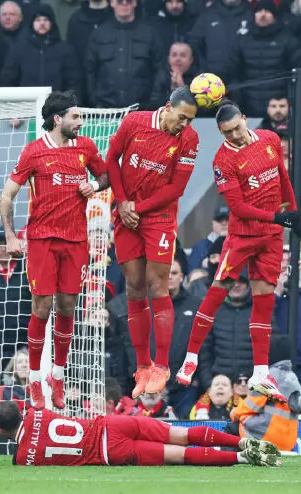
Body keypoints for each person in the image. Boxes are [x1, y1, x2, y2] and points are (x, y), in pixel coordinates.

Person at [176, 102, 301, 400]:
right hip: (242, 237)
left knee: (264, 301)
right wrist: (278, 218)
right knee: (217, 292)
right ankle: (191, 358)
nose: (234, 135)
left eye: (237, 128)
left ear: (245, 119)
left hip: (271, 238)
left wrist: (295, 217)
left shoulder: (270, 139)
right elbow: (237, 208)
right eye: (227, 132)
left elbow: (283, 179)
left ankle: (260, 374)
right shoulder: (223, 161)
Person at [0, 91, 109, 409]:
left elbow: (106, 175)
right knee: (42, 307)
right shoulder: (34, 151)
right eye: (76, 116)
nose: (81, 122)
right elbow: (7, 196)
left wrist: (94, 186)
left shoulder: (85, 147)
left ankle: (57, 376)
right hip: (42, 240)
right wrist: (10, 237)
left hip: (76, 240)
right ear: (58, 119)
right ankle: (35, 378)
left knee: (67, 307)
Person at [105, 87, 200, 398]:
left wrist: (137, 208)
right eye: (182, 117)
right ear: (168, 107)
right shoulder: (134, 122)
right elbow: (111, 160)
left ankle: (161, 366)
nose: (185, 124)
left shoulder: (189, 139)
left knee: (157, 286)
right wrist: (122, 203)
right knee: (134, 287)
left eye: (190, 120)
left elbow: (176, 188)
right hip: (126, 214)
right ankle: (143, 366)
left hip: (158, 217)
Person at [0, 400, 284, 467]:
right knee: (180, 434)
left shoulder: (23, 458)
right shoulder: (38, 413)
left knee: (178, 455)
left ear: (1, 431)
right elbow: (27, 412)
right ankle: (242, 441)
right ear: (20, 411)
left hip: (109, 453)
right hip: (112, 424)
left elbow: (20, 452)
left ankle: (243, 459)